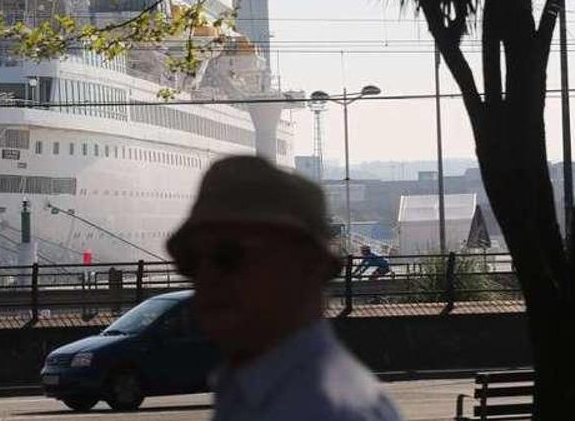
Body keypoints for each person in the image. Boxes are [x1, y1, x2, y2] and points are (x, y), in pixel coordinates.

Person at [166, 156, 402, 421]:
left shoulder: (325, 410)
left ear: (308, 266)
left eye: (228, 256)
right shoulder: (252, 387)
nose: (205, 277)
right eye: (191, 261)